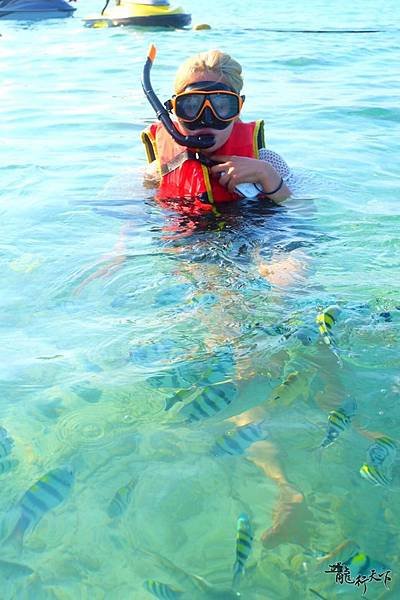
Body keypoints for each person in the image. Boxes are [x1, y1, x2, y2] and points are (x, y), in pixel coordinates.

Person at [141, 49, 292, 214]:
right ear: (175, 111)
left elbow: (305, 215)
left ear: (238, 109)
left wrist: (268, 176)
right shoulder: (159, 171)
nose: (206, 119)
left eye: (222, 107)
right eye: (191, 106)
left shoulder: (266, 162)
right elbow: (127, 221)